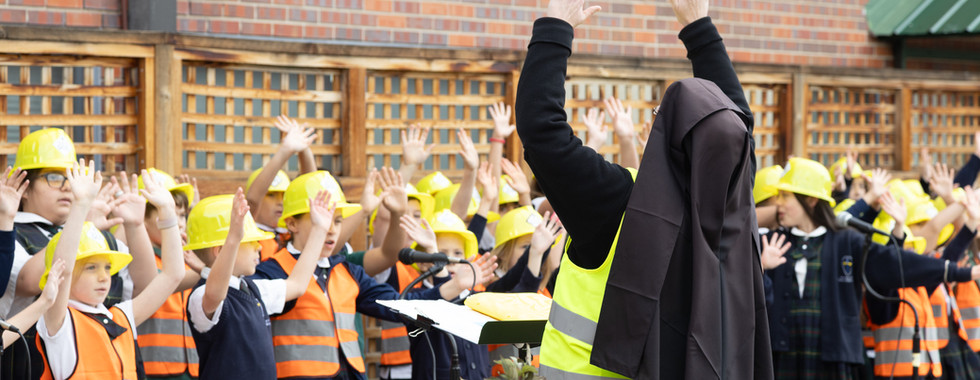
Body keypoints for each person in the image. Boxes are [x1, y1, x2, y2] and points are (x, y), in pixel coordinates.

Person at [516, 0, 772, 378]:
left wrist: (556, 26)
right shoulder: (733, 204)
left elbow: (542, 130)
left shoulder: (621, 199)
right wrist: (698, 26)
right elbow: (736, 130)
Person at [36, 161, 185, 380]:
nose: (103, 276)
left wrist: (168, 213)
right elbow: (64, 269)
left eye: (107, 267)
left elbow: (173, 275)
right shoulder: (60, 321)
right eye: (91, 267)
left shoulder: (121, 316)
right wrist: (80, 206)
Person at [183, 190, 325, 380]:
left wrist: (319, 230)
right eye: (250, 241)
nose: (259, 247)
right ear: (221, 250)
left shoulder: (253, 290)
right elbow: (215, 294)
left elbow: (297, 284)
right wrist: (233, 237)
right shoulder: (201, 295)